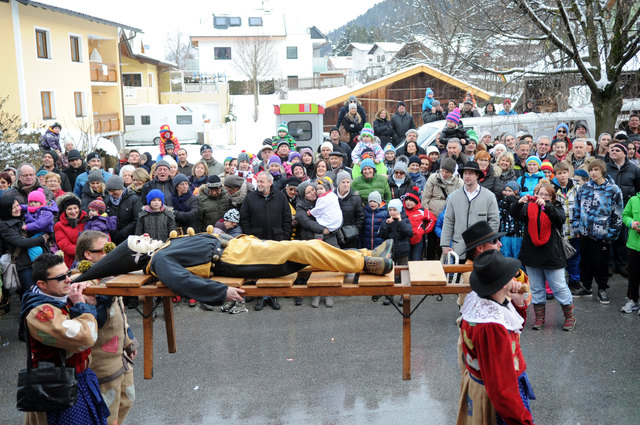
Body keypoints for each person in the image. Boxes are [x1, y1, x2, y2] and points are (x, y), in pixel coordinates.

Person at [21, 254, 110, 425]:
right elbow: (86, 337)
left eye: (68, 273)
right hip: (57, 388)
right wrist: (82, 306)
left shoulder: (61, 294)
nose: (68, 280)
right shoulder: (39, 313)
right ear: (42, 284)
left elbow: (85, 277)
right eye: (61, 277)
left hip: (80, 379)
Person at [456, 250, 534, 425]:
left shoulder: (481, 302)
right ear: (500, 284)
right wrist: (522, 420)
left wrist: (517, 300)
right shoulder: (491, 326)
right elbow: (501, 386)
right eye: (509, 275)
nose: (514, 276)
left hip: (482, 386)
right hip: (493, 396)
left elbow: (514, 327)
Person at [74, 231, 138, 425]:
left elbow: (121, 313)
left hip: (121, 358)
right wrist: (103, 293)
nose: (112, 254)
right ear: (88, 255)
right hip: (102, 363)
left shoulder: (108, 276)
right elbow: (96, 321)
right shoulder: (83, 283)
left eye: (112, 249)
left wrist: (129, 339)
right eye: (105, 250)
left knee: (127, 400)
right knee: (107, 413)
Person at [511, 183, 576, 331]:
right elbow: (514, 214)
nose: (542, 197)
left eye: (547, 195)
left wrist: (546, 206)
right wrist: (518, 203)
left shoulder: (556, 207)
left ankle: (570, 317)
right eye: (540, 194)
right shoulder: (528, 208)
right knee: (536, 288)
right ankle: (539, 318)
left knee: (559, 287)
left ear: (552, 197)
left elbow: (559, 219)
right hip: (531, 254)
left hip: (552, 255)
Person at [573, 159, 623, 303]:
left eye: (596, 170)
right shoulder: (584, 188)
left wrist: (611, 234)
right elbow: (577, 207)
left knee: (600, 262)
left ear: (602, 171)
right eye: (591, 170)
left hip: (602, 235)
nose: (593, 173)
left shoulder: (613, 189)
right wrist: (577, 226)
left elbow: (618, 214)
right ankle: (587, 286)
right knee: (585, 261)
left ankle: (602, 288)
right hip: (584, 232)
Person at [240, 171, 292, 311]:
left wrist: (285, 237)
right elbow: (244, 219)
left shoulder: (281, 196)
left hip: (277, 238)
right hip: (257, 239)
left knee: (273, 268)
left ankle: (272, 296)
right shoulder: (250, 197)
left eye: (262, 181)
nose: (259, 184)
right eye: (258, 181)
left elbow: (287, 218)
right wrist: (249, 237)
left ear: (270, 182)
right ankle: (261, 297)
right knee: (260, 268)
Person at [441, 161, 500, 259]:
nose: (467, 176)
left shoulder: (489, 196)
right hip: (458, 249)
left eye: (471, 173)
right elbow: (448, 221)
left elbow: (494, 220)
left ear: (477, 175)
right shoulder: (453, 196)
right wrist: (445, 245)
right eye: (465, 173)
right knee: (458, 274)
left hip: (481, 249)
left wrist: (489, 243)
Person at [0, 196, 49, 293]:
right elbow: (20, 242)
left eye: (18, 205)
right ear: (6, 209)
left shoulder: (27, 215)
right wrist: (42, 239)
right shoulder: (4, 225)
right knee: (31, 294)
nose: (17, 209)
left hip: (40, 260)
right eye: (13, 208)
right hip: (23, 264)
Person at [606, 141, 640, 276]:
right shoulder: (605, 168)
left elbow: (638, 189)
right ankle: (609, 265)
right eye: (612, 150)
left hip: (626, 207)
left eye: (617, 150)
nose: (613, 152)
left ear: (624, 153)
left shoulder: (634, 169)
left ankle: (622, 265)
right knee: (609, 237)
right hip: (609, 208)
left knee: (623, 237)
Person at [422, 158, 463, 260]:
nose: (444, 174)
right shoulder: (433, 178)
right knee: (431, 243)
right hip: (433, 215)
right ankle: (430, 261)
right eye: (442, 171)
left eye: (447, 172)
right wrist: (427, 215)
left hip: (448, 218)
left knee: (444, 243)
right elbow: (425, 198)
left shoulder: (459, 182)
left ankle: (443, 263)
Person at [552, 162, 582, 294]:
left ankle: (574, 281)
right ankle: (560, 283)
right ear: (556, 175)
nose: (562, 176)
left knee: (574, 256)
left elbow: (582, 207)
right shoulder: (552, 189)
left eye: (564, 173)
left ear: (568, 173)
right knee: (559, 257)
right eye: (559, 173)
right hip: (559, 230)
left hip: (574, 229)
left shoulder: (577, 187)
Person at [104, 175, 141, 246]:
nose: (111, 193)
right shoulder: (106, 200)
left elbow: (136, 220)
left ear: (121, 189)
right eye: (110, 191)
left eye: (114, 191)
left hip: (128, 239)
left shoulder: (133, 199)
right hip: (111, 238)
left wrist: (122, 234)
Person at [22, 188, 57, 261]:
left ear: (41, 203)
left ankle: (37, 261)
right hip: (34, 231)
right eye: (31, 202)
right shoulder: (32, 208)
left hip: (42, 231)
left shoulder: (46, 211)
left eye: (35, 202)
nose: (32, 204)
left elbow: (40, 224)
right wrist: (19, 207)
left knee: (32, 246)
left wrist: (27, 226)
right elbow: (26, 207)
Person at [54, 194, 88, 267]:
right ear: (64, 211)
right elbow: (65, 246)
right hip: (73, 261)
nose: (73, 211)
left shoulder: (87, 220)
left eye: (75, 208)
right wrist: (85, 252)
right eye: (69, 209)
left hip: (92, 257)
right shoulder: (60, 226)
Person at [403, 187, 435, 261]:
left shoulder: (422, 211)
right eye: (407, 200)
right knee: (406, 261)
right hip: (405, 240)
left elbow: (432, 219)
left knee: (416, 260)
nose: (408, 202)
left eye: (411, 200)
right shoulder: (402, 211)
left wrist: (424, 230)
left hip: (418, 240)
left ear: (416, 201)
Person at [335, 171, 364, 249]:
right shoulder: (332, 196)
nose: (346, 184)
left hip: (351, 236)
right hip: (335, 234)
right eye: (343, 182)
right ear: (338, 183)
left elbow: (360, 217)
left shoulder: (356, 197)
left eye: (348, 182)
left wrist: (355, 229)